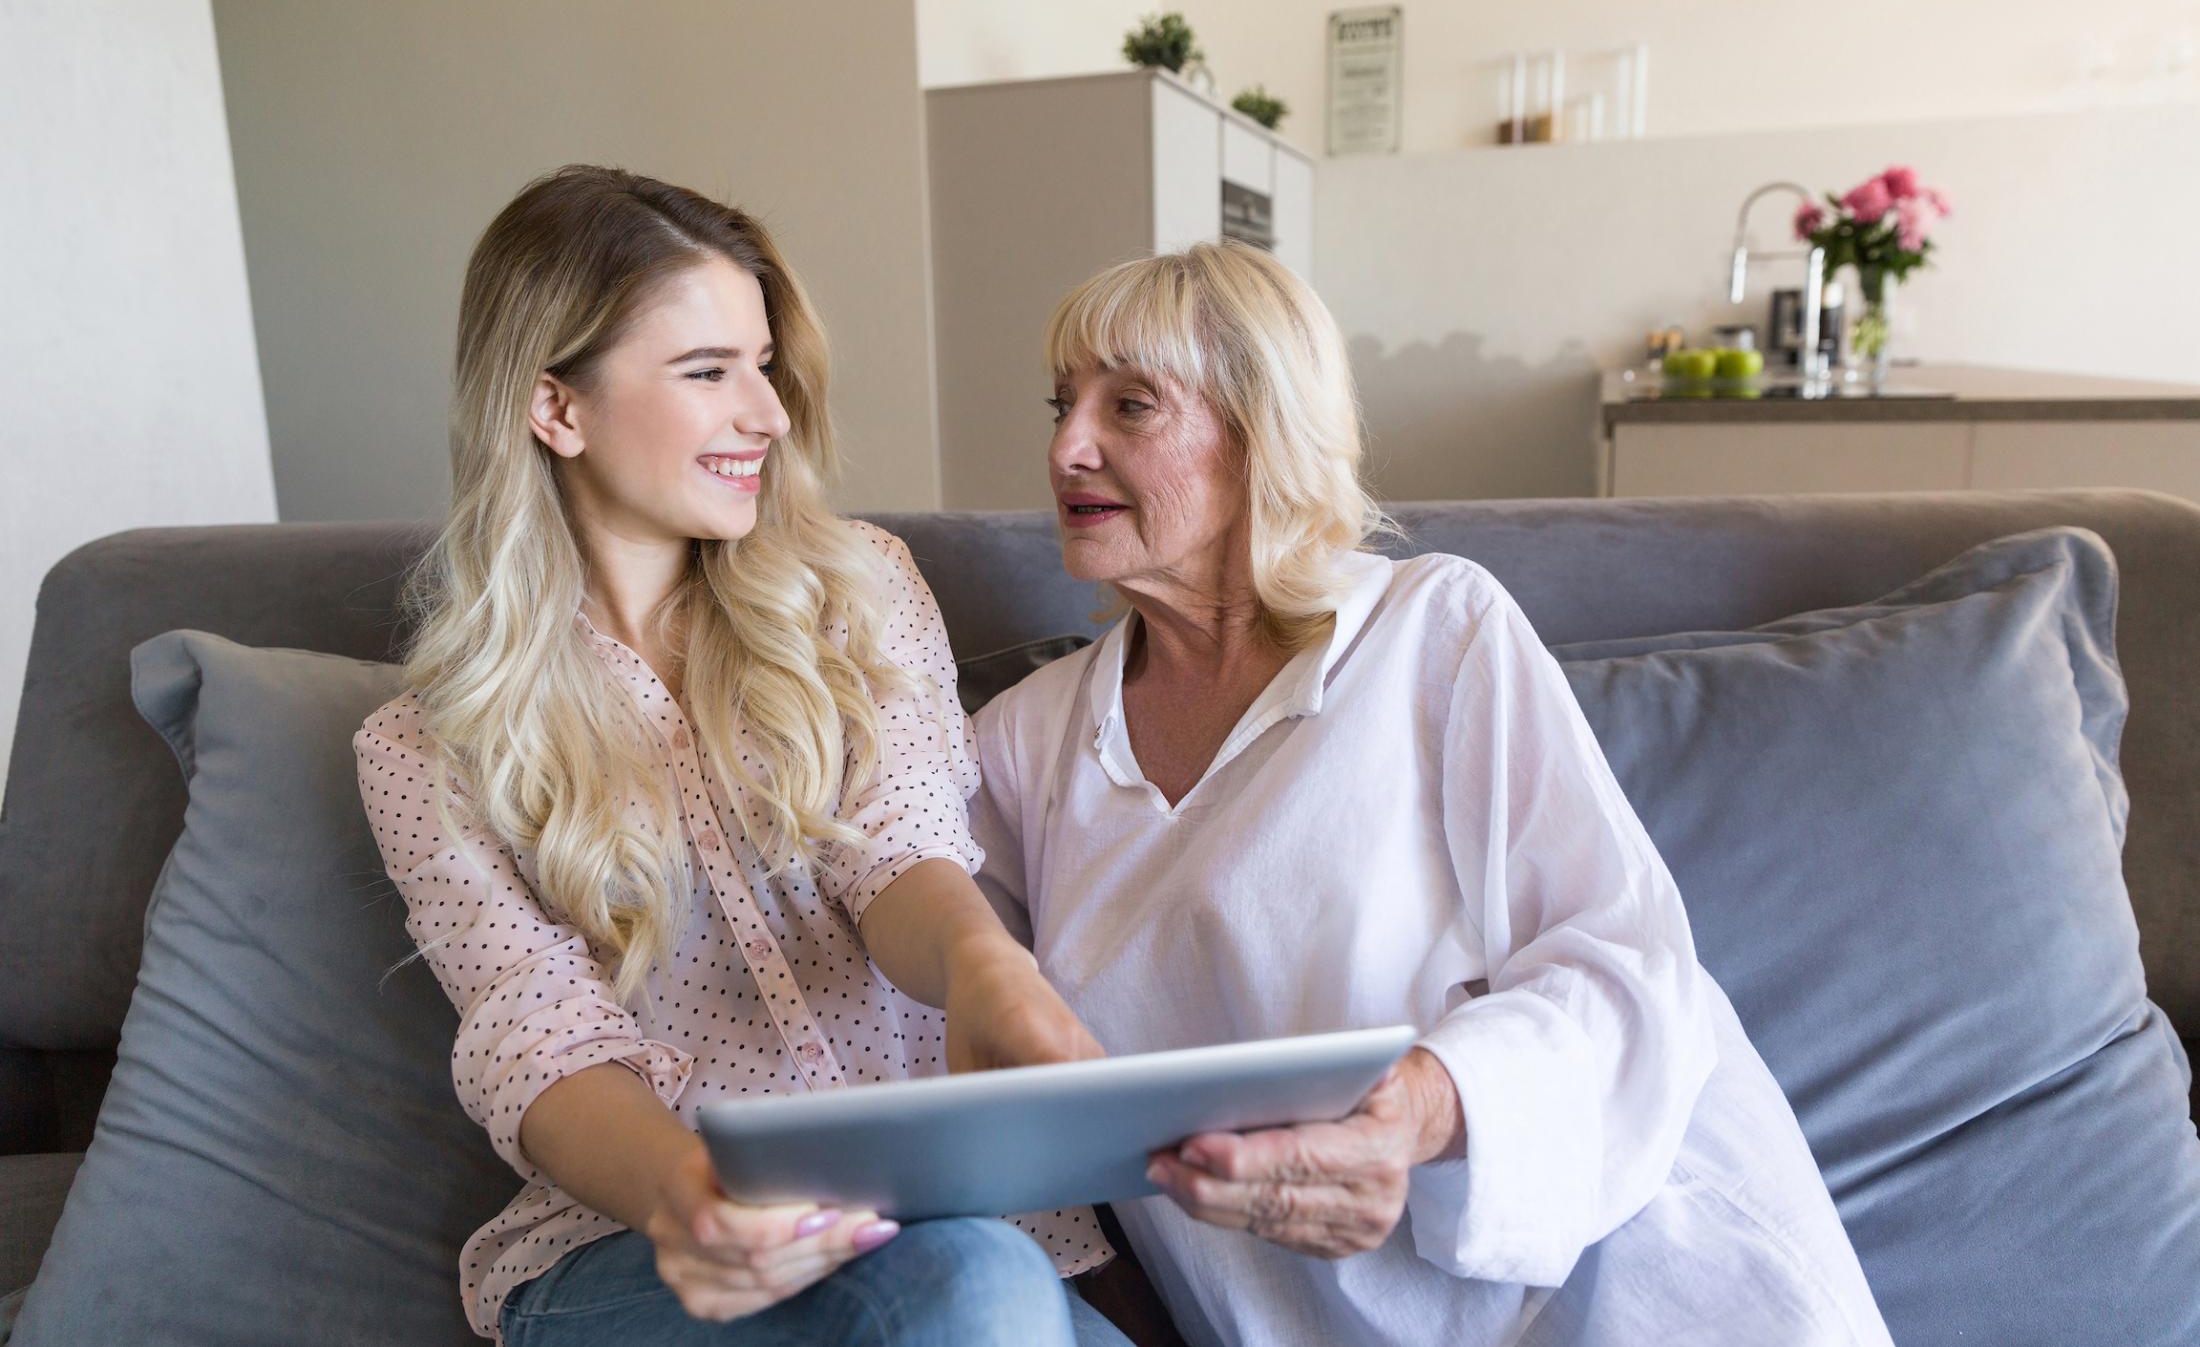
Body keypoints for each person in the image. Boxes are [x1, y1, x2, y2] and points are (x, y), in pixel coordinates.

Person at [969, 239, 1895, 1346]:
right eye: (1061, 404)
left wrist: (1410, 1114)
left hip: (1636, 1281)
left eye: (1130, 407)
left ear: (1260, 433)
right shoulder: (1026, 742)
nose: (1068, 447)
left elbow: (1621, 960)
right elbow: (882, 946)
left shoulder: (1429, 630)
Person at [353, 165, 1130, 1347]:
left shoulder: (855, 591)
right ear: (555, 408)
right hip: (646, 1255)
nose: (767, 414)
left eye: (761, 364)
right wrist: (696, 1199)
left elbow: (901, 852)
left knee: (982, 1282)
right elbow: (538, 1044)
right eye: (708, 371)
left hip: (934, 1232)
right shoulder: (426, 748)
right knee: (980, 1288)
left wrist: (987, 969)